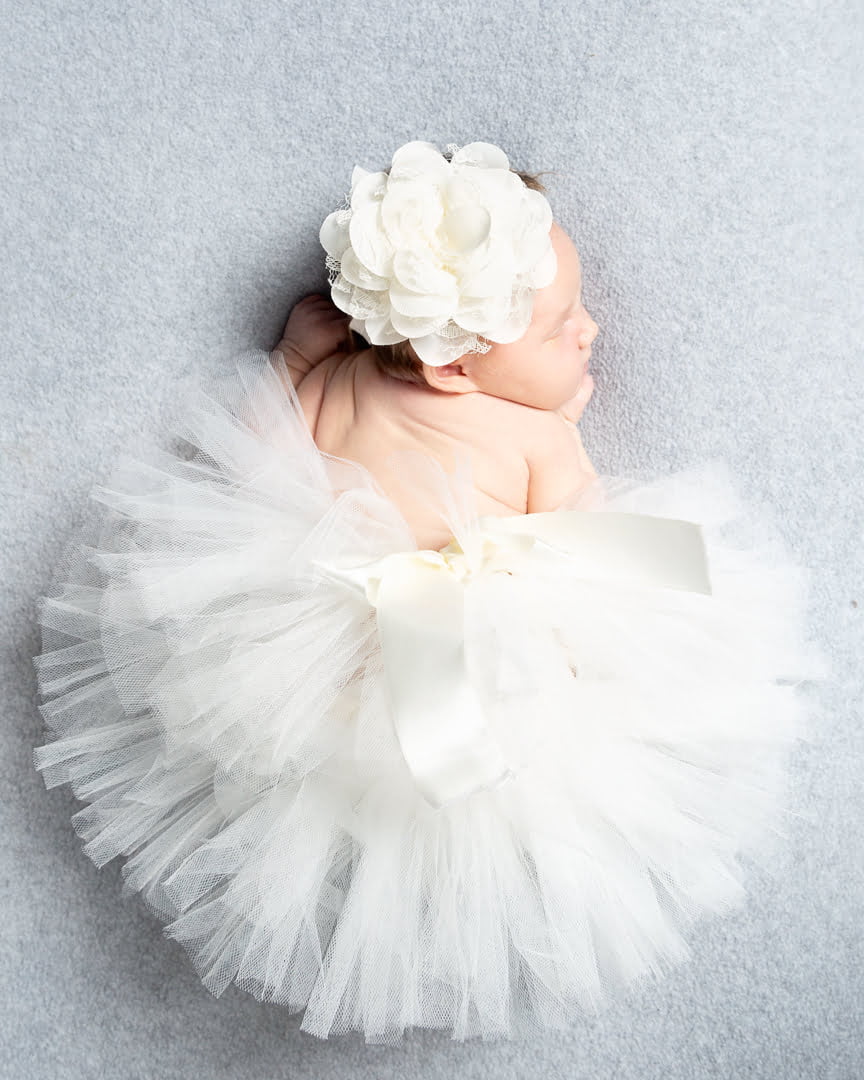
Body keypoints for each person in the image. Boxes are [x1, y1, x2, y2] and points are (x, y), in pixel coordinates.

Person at [31, 139, 829, 1045]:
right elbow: (580, 548)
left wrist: (293, 363)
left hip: (315, 645)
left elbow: (256, 455)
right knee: (498, 800)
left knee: (312, 791)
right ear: (456, 369)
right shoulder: (541, 444)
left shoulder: (341, 380)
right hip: (481, 653)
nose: (589, 328)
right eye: (560, 323)